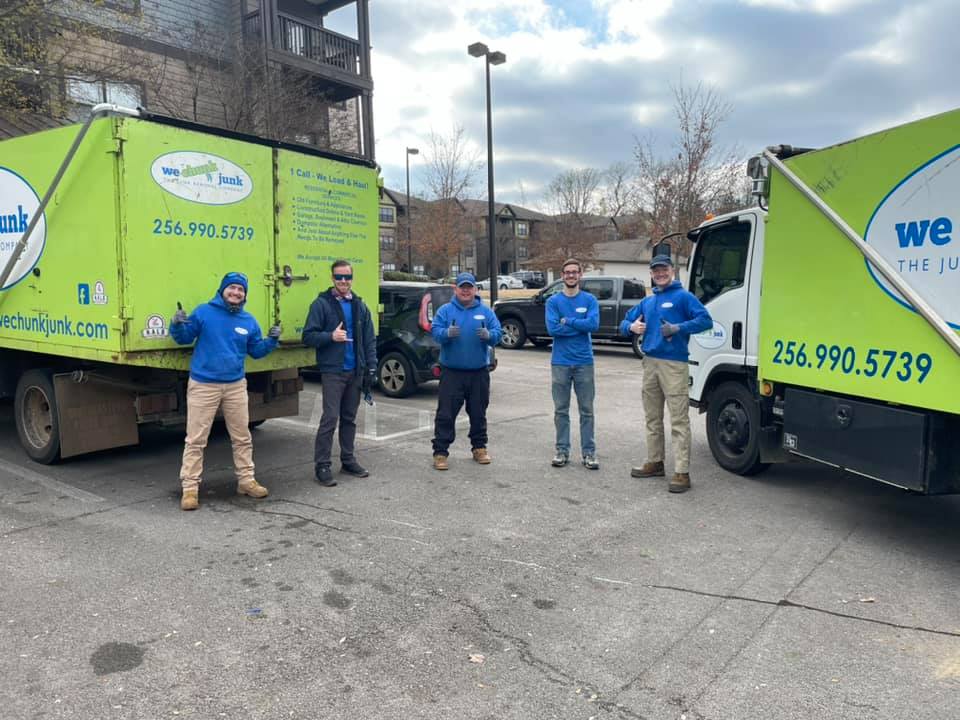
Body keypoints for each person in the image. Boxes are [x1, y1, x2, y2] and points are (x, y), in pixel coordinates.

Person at [171, 272, 281, 511]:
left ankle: (246, 481)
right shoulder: (204, 312)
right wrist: (177, 324)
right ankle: (190, 489)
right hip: (204, 385)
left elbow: (256, 351)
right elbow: (183, 338)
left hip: (235, 385)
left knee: (242, 436)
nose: (236, 292)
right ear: (222, 290)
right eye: (232, 288)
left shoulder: (248, 321)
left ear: (244, 295)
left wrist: (271, 341)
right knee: (196, 440)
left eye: (241, 290)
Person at [620, 254, 712, 493]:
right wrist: (631, 326)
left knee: (679, 420)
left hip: (674, 365)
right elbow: (625, 321)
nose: (660, 274)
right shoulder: (648, 302)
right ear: (651, 273)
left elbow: (706, 320)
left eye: (663, 270)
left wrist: (678, 328)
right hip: (649, 363)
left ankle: (682, 473)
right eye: (655, 271)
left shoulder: (683, 297)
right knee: (652, 417)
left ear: (672, 270)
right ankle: (655, 462)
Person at [302, 260, 377, 487]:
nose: (343, 281)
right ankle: (322, 465)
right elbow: (308, 336)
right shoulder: (321, 304)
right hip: (333, 371)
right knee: (330, 418)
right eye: (339, 277)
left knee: (349, 419)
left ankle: (348, 459)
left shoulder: (360, 306)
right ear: (332, 278)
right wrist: (330, 337)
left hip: (355, 371)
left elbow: (369, 338)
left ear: (352, 278)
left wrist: (371, 366)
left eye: (347, 277)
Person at [430, 272, 502, 470]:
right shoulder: (445, 311)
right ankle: (440, 452)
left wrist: (490, 335)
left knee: (478, 412)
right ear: (456, 289)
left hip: (478, 372)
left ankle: (479, 448)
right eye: (462, 287)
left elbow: (498, 333)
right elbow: (435, 332)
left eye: (469, 287)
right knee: (446, 413)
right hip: (452, 372)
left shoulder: (486, 312)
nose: (465, 290)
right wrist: (446, 334)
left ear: (475, 289)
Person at [546, 259, 600, 469]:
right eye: (567, 272)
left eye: (574, 272)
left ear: (580, 275)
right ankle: (562, 451)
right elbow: (552, 329)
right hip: (560, 362)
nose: (570, 276)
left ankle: (589, 453)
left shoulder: (589, 300)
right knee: (561, 410)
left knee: (587, 410)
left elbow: (593, 325)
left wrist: (568, 321)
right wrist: (580, 325)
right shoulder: (553, 302)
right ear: (562, 275)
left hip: (584, 362)